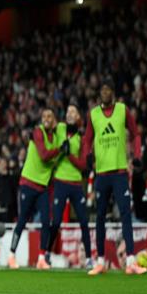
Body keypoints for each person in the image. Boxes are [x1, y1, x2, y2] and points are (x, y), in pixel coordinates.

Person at [83, 77, 147, 275]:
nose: (105, 92)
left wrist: (137, 155)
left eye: (108, 89)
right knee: (100, 217)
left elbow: (136, 134)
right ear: (99, 93)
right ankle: (100, 261)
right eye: (102, 89)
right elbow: (87, 140)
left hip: (119, 172)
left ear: (113, 92)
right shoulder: (93, 114)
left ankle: (130, 261)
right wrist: (87, 156)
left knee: (126, 215)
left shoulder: (122, 110)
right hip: (102, 174)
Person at [7, 108, 64, 270]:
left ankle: (41, 258)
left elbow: (53, 158)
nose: (46, 118)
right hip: (28, 183)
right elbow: (44, 155)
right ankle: (11, 255)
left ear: (54, 120)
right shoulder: (38, 132)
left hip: (42, 187)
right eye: (44, 115)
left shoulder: (55, 138)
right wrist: (60, 150)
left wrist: (61, 150)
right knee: (22, 220)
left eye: (50, 116)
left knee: (46, 221)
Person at [47, 104, 93, 269]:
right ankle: (46, 254)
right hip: (60, 182)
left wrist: (69, 155)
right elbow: (46, 125)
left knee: (84, 222)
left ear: (78, 117)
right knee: (56, 221)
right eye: (68, 111)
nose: (69, 113)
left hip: (75, 184)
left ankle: (89, 258)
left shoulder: (82, 138)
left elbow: (83, 165)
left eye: (73, 111)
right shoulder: (59, 128)